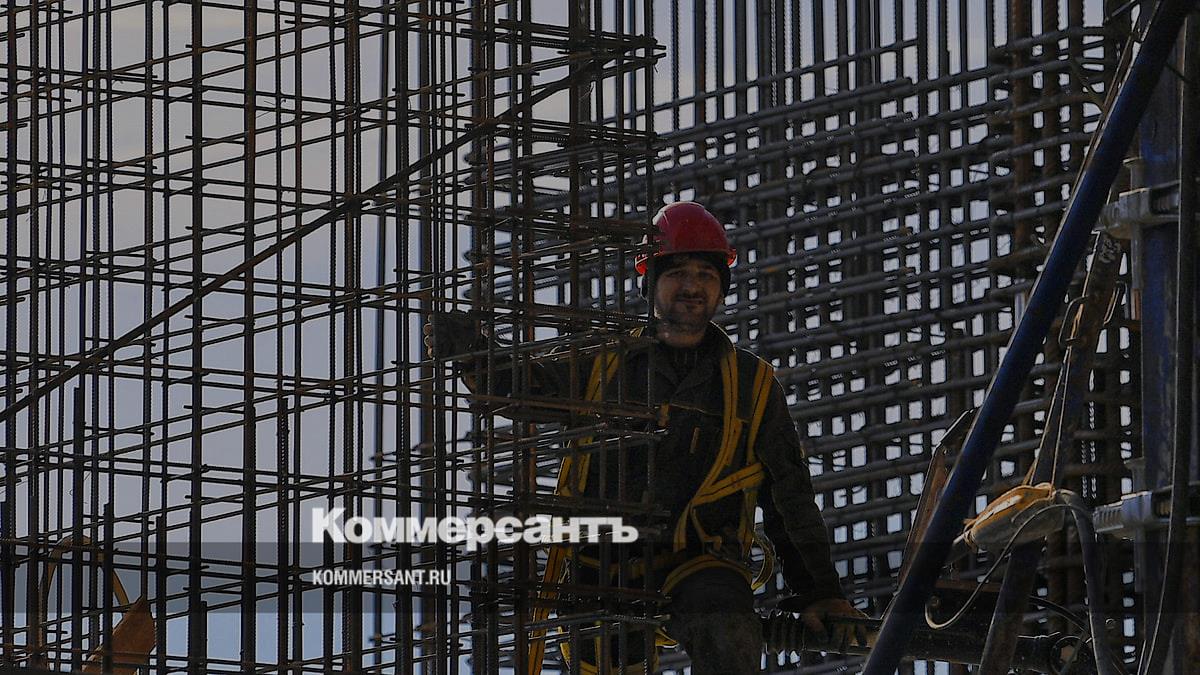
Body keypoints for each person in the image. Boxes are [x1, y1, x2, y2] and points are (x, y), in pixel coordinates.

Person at [425, 201, 864, 674]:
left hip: (701, 563)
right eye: (677, 273)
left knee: (728, 629)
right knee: (605, 657)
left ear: (722, 286)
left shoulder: (751, 384)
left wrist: (821, 592)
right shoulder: (606, 362)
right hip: (604, 567)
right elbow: (524, 388)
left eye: (706, 274)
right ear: (649, 282)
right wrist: (474, 353)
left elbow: (789, 496)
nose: (693, 286)